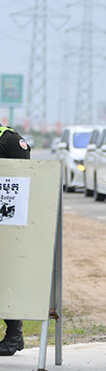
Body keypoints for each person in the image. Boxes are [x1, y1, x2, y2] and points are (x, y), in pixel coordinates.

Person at [0, 124, 30, 356]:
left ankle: (14, 334)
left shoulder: (9, 141)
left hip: (6, 220)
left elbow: (26, 180)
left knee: (6, 274)